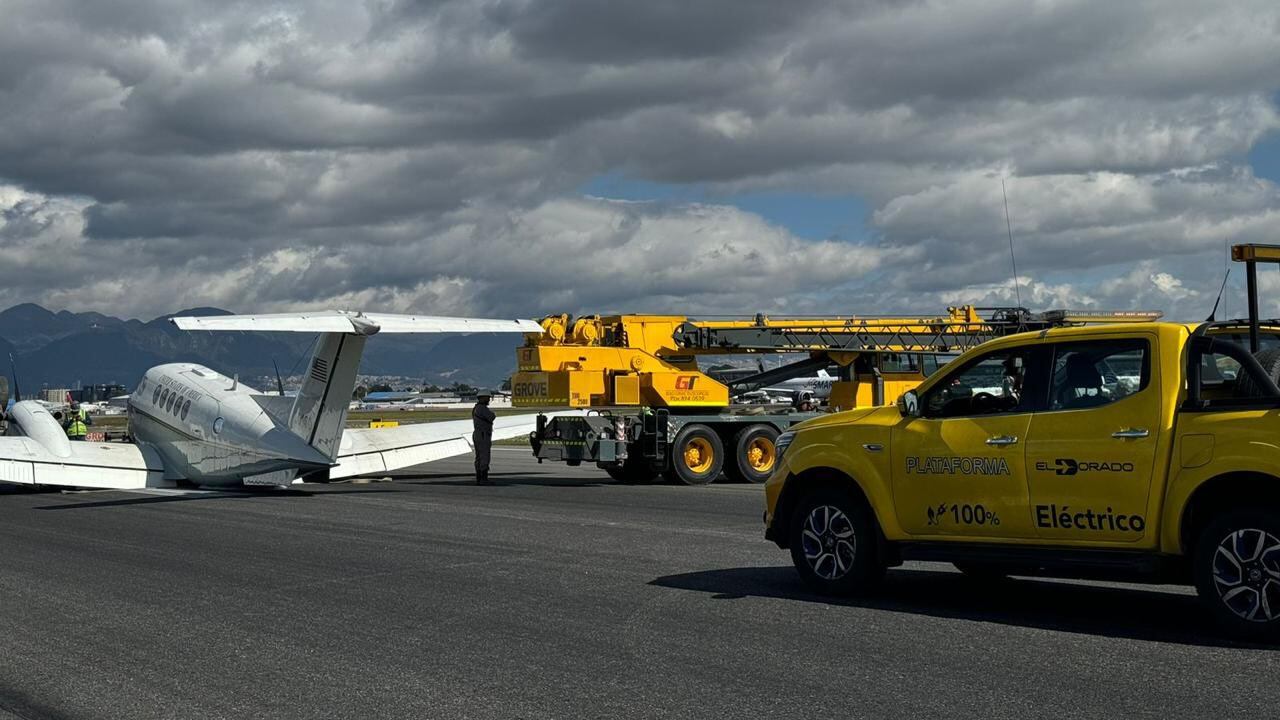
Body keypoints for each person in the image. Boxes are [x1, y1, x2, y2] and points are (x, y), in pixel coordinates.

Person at [472, 390, 496, 485]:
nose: (489, 399)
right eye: (488, 397)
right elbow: (491, 417)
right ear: (483, 398)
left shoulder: (476, 408)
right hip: (483, 435)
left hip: (479, 434)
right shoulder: (482, 408)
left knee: (479, 457)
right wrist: (493, 414)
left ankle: (479, 477)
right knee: (484, 456)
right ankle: (483, 478)